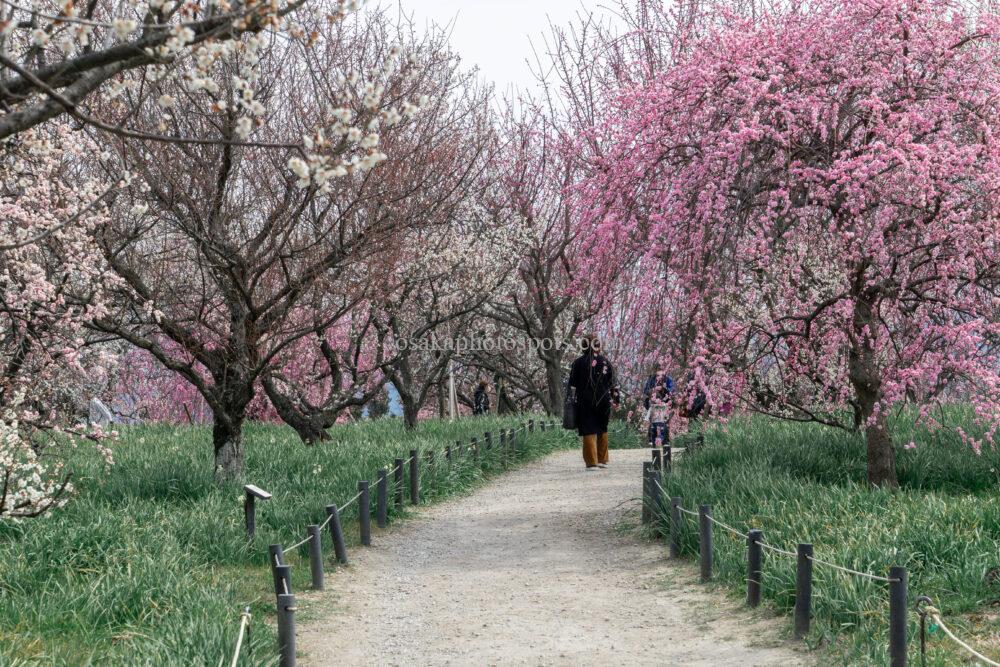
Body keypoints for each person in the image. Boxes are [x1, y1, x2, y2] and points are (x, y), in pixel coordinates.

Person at [568, 335, 620, 471]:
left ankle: (592, 463)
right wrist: (616, 400)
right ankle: (602, 460)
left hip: (585, 401)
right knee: (602, 428)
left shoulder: (577, 363)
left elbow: (572, 385)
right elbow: (614, 383)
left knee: (588, 429)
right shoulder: (605, 362)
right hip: (603, 400)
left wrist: (570, 400)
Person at [642, 369, 674, 447]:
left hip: (665, 403)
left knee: (664, 423)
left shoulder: (668, 379)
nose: (659, 376)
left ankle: (665, 441)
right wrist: (654, 389)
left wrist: (664, 389)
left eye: (662, 375)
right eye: (657, 375)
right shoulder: (651, 379)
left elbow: (672, 390)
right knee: (653, 423)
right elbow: (646, 391)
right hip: (653, 403)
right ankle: (652, 440)